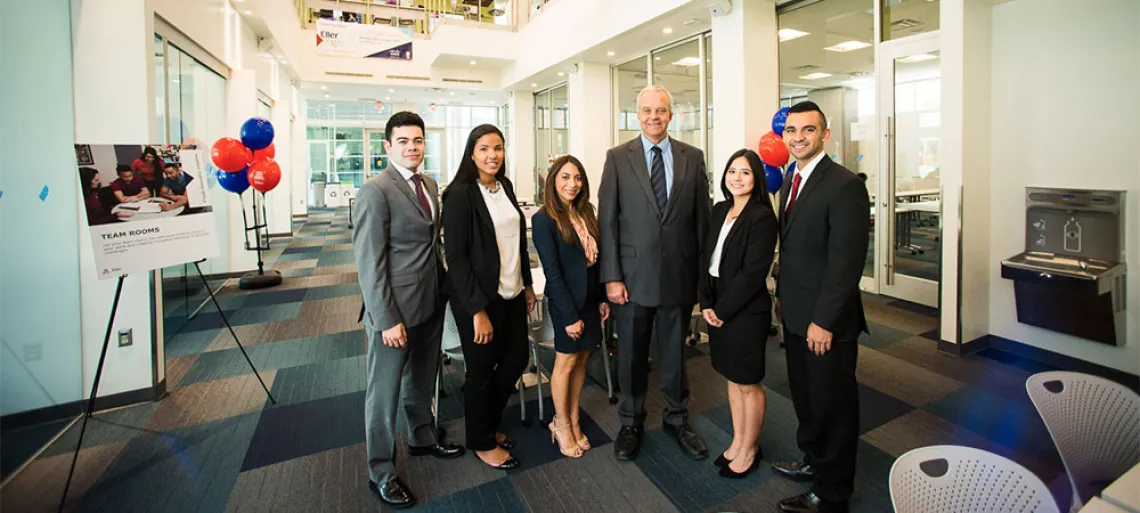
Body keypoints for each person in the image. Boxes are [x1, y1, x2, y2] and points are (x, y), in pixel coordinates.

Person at [352, 111, 464, 509]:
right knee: (383, 395)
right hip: (393, 312)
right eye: (403, 141)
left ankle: (422, 437)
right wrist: (384, 320)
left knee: (422, 380)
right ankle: (380, 472)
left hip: (431, 302)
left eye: (417, 140)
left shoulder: (429, 184)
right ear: (388, 146)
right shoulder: (375, 190)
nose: (412, 147)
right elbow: (369, 262)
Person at [598, 84, 711, 461]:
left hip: (677, 278)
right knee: (630, 356)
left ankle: (677, 419)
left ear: (671, 114)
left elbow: (701, 223)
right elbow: (607, 221)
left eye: (660, 110)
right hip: (629, 281)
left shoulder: (692, 157)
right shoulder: (617, 158)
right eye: (646, 110)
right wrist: (611, 276)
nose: (653, 117)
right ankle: (631, 422)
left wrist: (699, 280)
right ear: (636, 114)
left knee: (675, 357)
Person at [771, 101, 870, 513]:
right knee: (807, 400)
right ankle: (814, 461)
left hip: (826, 323)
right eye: (791, 130)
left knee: (833, 407)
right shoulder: (792, 179)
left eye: (808, 130)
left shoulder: (844, 184)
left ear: (824, 135)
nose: (798, 138)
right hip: (795, 316)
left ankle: (832, 495)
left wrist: (823, 321)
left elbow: (846, 263)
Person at [442, 123, 536, 470]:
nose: (492, 155)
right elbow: (456, 258)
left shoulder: (505, 187)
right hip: (478, 298)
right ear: (471, 153)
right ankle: (481, 441)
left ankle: (484, 424)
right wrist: (477, 310)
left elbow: (518, 240)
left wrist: (526, 283)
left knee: (515, 359)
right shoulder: (460, 194)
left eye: (497, 148)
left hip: (511, 292)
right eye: (484, 148)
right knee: (480, 369)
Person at [698, 149, 778, 479]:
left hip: (745, 310)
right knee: (732, 378)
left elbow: (753, 273)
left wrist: (722, 310)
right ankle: (738, 439)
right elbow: (706, 259)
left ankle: (751, 448)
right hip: (717, 305)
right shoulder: (720, 210)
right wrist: (705, 303)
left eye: (745, 173)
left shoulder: (761, 216)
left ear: (756, 178)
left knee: (748, 382)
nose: (737, 178)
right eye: (732, 171)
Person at [530, 155, 610, 459]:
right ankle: (560, 424)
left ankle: (575, 419)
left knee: (581, 362)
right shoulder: (544, 219)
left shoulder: (585, 212)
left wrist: (601, 298)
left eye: (577, 178)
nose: (572, 184)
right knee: (564, 365)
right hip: (566, 304)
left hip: (589, 299)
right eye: (565, 177)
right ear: (553, 181)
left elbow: (596, 261)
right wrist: (569, 316)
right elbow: (552, 272)